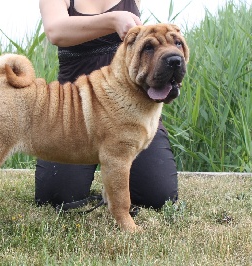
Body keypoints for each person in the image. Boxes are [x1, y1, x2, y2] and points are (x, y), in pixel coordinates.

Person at [35, 0, 178, 212]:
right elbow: (56, 31)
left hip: (131, 112)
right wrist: (112, 20)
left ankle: (114, 184)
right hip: (74, 115)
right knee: (57, 197)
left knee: (158, 196)